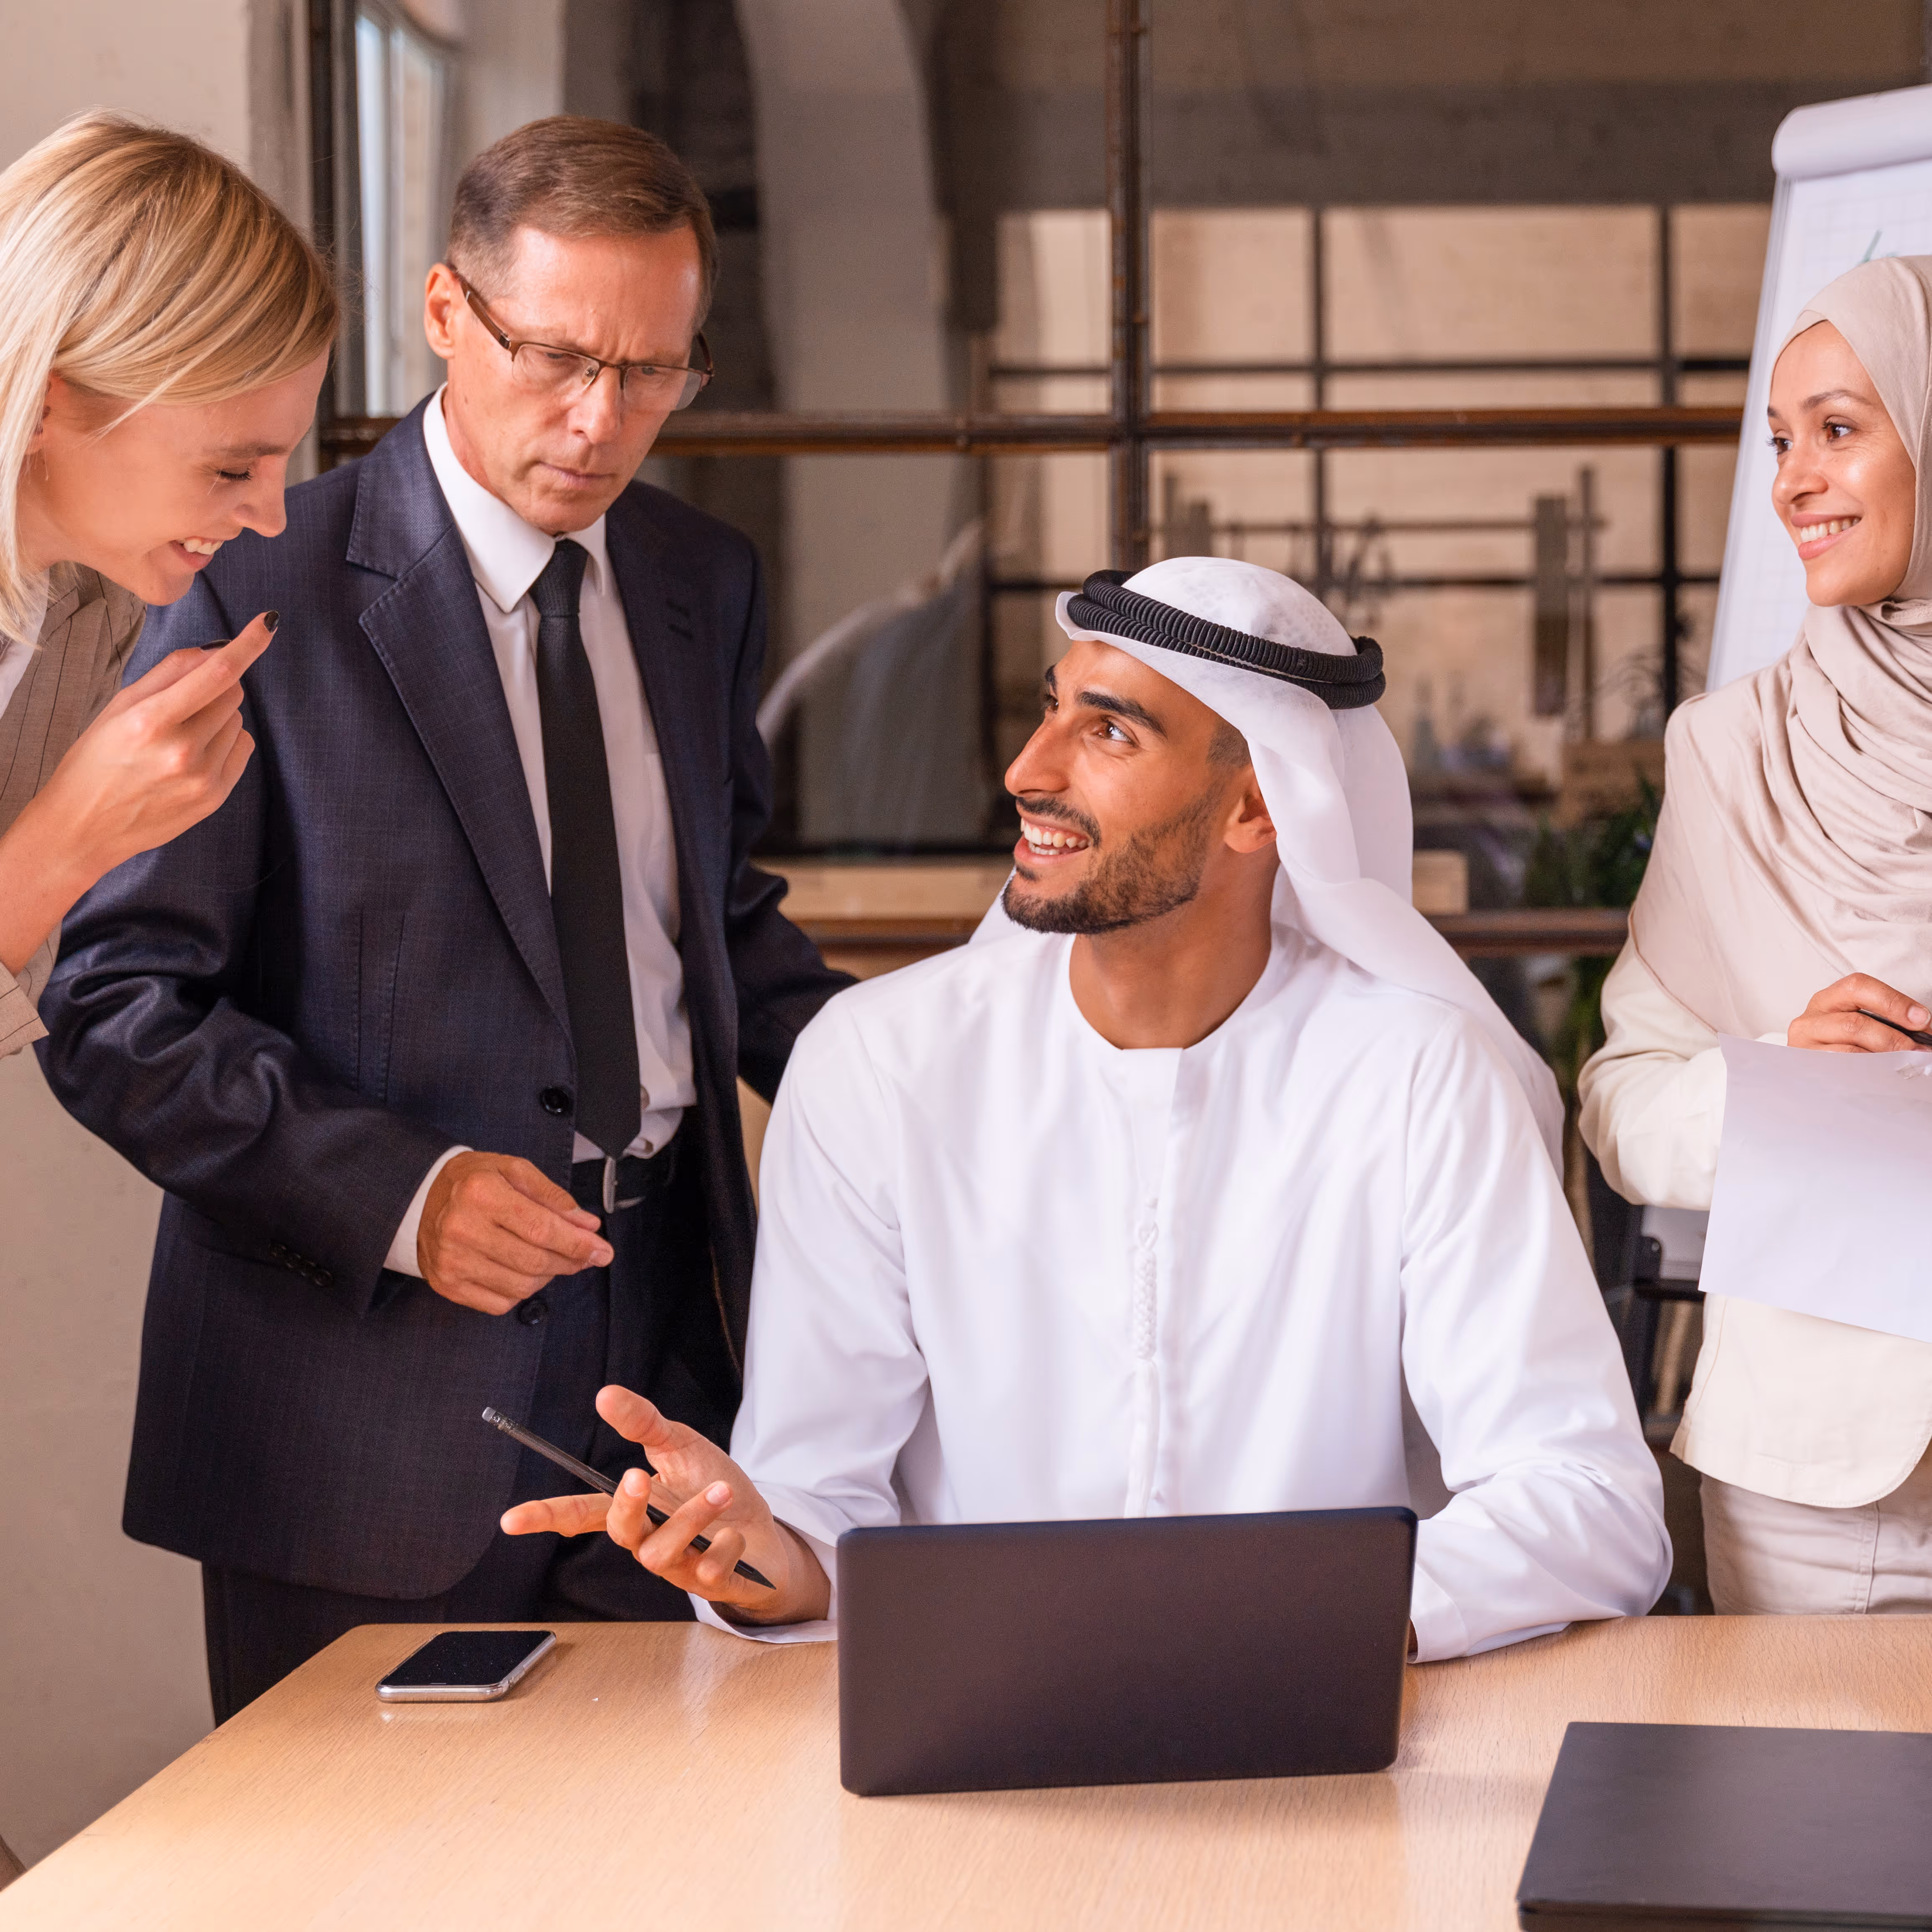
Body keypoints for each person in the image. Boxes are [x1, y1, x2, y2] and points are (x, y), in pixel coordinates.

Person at [38, 117, 849, 1721]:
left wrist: (979, 1081)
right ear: (442, 313)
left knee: (671, 1855)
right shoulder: (238, 567)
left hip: (676, 1358)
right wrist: (402, 1197)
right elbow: (116, 1006)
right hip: (354, 1394)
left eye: (655, 372)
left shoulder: (701, 579)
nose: (600, 419)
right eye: (556, 355)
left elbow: (724, 937)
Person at [505, 557, 1671, 1658]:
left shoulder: (1421, 1075)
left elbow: (1588, 1503)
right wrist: (761, 1554)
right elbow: (816, 1513)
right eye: (1049, 708)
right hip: (973, 1748)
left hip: (1328, 1748)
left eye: (1108, 731)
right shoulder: (877, 1068)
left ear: (1260, 810)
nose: (1028, 767)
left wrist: (1289, 1628)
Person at [1581, 255, 1932, 1618]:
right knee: (1817, 1838)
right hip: (1816, 1495)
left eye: (1839, 429)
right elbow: (1622, 1101)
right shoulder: (1729, 754)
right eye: (1781, 441)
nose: (1790, 481)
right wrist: (1775, 1080)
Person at [0, 113, 334, 1061]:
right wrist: (72, 835)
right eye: (233, 470)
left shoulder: (88, 607)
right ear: (49, 402)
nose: (271, 519)